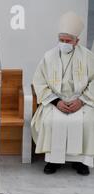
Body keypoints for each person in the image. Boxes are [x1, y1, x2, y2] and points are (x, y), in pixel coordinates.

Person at [32, 11, 94, 175]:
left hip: (81, 101)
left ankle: (81, 162)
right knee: (50, 121)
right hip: (56, 101)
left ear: (76, 41)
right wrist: (56, 101)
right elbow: (39, 82)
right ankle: (53, 160)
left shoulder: (88, 57)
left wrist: (81, 100)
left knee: (88, 121)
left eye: (68, 41)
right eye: (61, 40)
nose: (64, 43)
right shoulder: (48, 56)